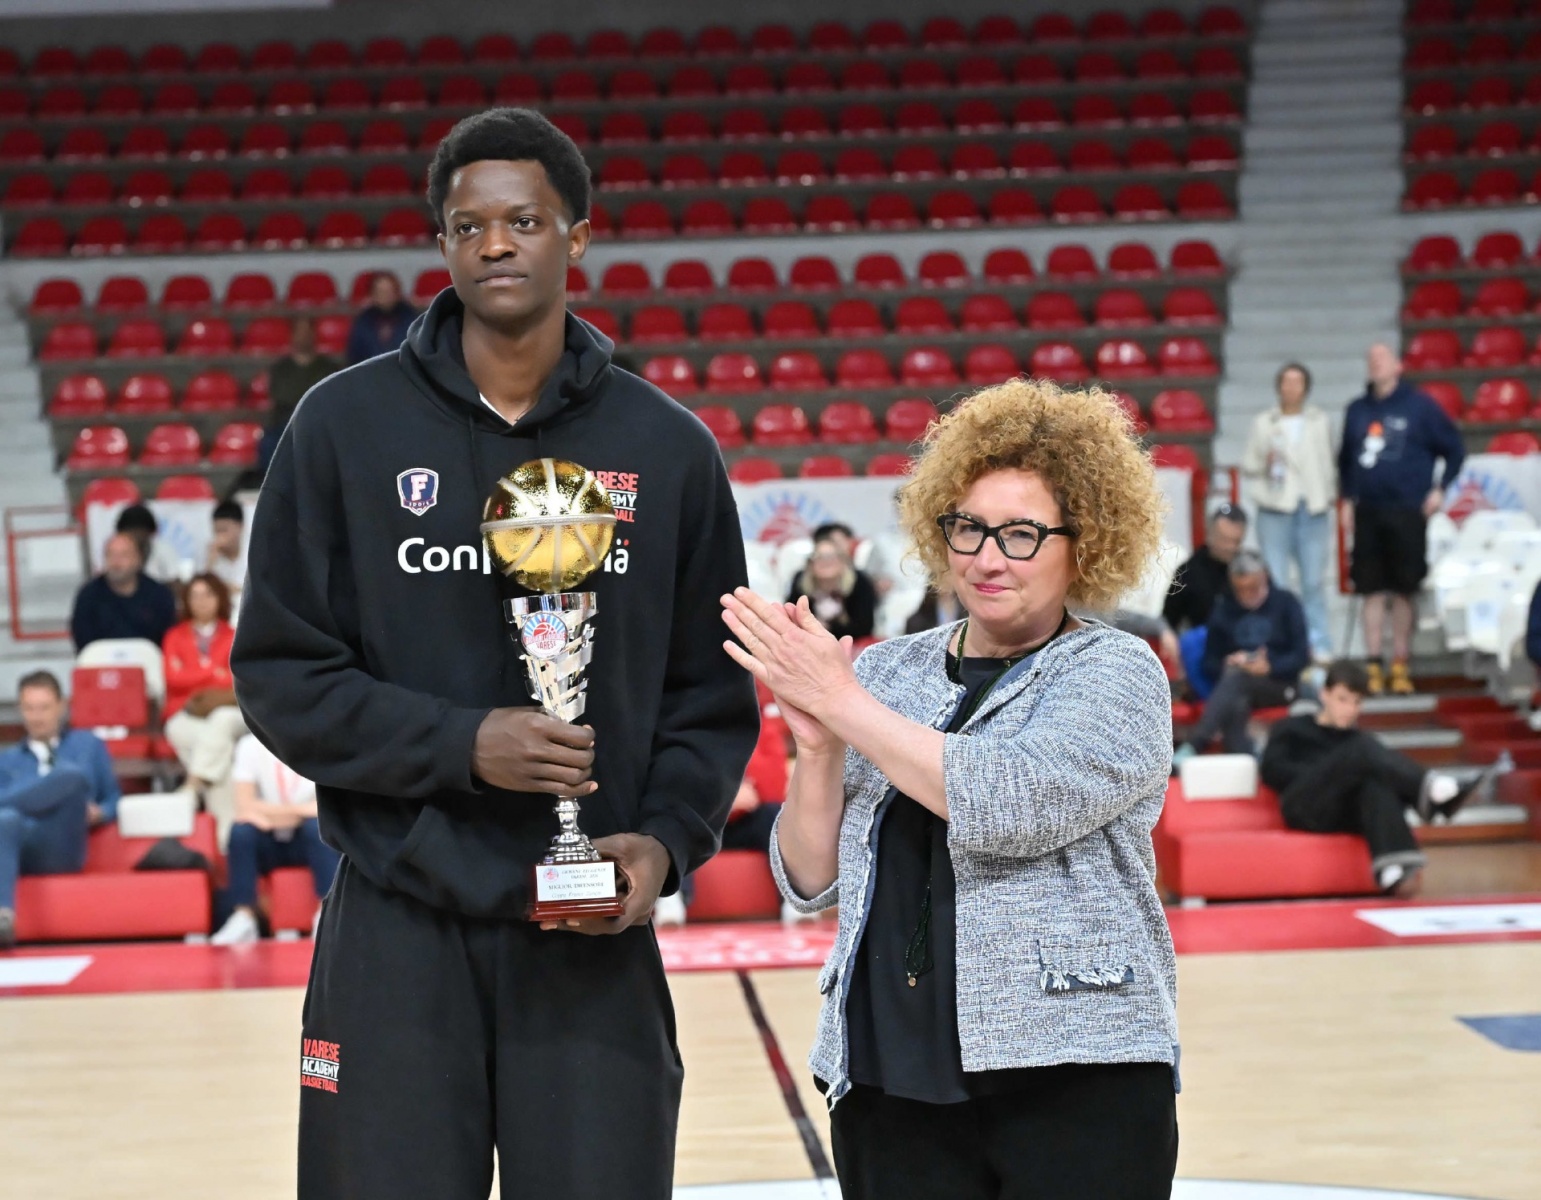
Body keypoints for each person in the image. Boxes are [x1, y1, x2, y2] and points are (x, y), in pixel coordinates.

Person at [230, 107, 758, 1200]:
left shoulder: (666, 448)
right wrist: (464, 744)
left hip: (590, 932)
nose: (496, 244)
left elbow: (707, 699)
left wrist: (663, 844)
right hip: (397, 919)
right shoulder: (339, 429)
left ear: (577, 237)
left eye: (524, 220)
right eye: (467, 227)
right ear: (443, 248)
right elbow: (282, 675)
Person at [723, 379, 1179, 1199]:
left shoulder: (1116, 672)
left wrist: (842, 703)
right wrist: (820, 750)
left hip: (1073, 1070)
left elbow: (1010, 805)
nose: (986, 557)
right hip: (886, 1073)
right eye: (968, 528)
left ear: (1087, 542)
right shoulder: (886, 671)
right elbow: (805, 877)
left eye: (1021, 533)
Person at [1261, 661, 1493, 896]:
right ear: (1324, 695)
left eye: (1357, 702)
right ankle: (1432, 791)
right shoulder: (1292, 728)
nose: (1350, 710)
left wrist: (1343, 776)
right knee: (1361, 749)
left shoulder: (1357, 744)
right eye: (1342, 699)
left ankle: (1392, 868)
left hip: (1341, 810)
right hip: (1302, 805)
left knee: (1376, 785)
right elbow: (1270, 770)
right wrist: (1328, 771)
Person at [1339, 343, 1465, 695]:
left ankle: (1400, 664)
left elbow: (1454, 449)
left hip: (1408, 511)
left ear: (1397, 365)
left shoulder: (1420, 407)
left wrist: (1440, 489)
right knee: (1371, 591)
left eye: (1382, 359)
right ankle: (1374, 665)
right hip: (1368, 511)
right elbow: (1345, 461)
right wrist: (1347, 500)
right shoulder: (1357, 410)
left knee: (1405, 590)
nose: (1375, 364)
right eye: (1371, 359)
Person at [0, 671, 121, 948]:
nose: (36, 716)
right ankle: (4, 916)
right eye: (29, 708)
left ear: (61, 706)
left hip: (65, 841)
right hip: (24, 846)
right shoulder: (6, 762)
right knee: (6, 818)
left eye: (43, 707)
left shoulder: (88, 745)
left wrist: (100, 812)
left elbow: (114, 799)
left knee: (71, 777)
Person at [1173, 551, 1309, 764]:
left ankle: (1195, 744)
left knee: (1237, 680)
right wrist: (1228, 662)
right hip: (1236, 685)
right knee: (1236, 698)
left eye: (1252, 588)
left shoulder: (1286, 603)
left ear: (1264, 577)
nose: (1246, 595)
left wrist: (1270, 666)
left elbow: (1301, 656)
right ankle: (1248, 762)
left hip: (1280, 684)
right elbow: (1209, 663)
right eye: (1240, 590)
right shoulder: (1223, 610)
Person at [1241, 362, 1337, 661]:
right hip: (1275, 508)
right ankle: (1282, 644)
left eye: (1297, 382)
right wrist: (1267, 463)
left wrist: (1329, 497)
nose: (1291, 388)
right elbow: (1249, 465)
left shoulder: (1320, 421)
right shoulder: (1264, 423)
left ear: (1306, 387)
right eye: (1286, 382)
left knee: (1313, 583)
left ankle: (1319, 644)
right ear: (1278, 386)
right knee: (1278, 584)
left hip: (1312, 508)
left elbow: (1328, 463)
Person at [211, 734, 341, 945]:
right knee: (241, 831)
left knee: (317, 828)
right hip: (269, 840)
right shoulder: (250, 745)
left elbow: (328, 807)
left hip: (306, 838)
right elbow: (244, 805)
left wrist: (271, 814)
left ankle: (325, 915)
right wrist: (301, 812)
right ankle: (243, 917)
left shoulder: (321, 742)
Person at [162, 573, 245, 846]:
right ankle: (223, 844)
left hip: (231, 711)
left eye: (207, 594)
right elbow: (172, 680)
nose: (201, 601)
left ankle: (192, 786)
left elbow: (236, 678)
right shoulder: (174, 636)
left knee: (221, 720)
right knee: (220, 761)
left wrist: (193, 673)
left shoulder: (236, 635)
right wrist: (213, 672)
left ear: (220, 597)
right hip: (184, 714)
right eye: (194, 595)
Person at [69, 532, 177, 650]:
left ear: (138, 560)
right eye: (111, 555)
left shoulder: (159, 595)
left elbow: (170, 642)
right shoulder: (88, 596)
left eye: (123, 555)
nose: (116, 562)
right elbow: (84, 645)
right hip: (103, 665)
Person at [261, 315, 339, 472]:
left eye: (307, 332)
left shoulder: (329, 368)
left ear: (314, 335)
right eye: (299, 332)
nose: (303, 336)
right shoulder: (280, 369)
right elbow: (282, 397)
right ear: (292, 335)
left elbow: (330, 400)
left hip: (318, 425)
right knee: (268, 442)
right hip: (285, 424)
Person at [1162, 502, 1247, 632]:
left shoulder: (1249, 569)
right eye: (1224, 540)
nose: (1230, 547)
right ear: (1210, 534)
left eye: (1236, 541)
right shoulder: (1188, 573)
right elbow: (1169, 621)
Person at [787, 534, 878, 641]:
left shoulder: (860, 581)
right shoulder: (800, 580)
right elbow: (791, 619)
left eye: (831, 557)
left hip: (852, 643)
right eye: (819, 557)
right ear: (811, 563)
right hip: (809, 642)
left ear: (843, 561)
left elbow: (865, 627)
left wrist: (826, 628)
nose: (826, 562)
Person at [345, 272, 417, 365]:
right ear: (373, 295)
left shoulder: (412, 320)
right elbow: (354, 356)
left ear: (397, 294)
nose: (386, 296)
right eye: (381, 292)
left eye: (390, 291)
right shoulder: (362, 322)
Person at [116, 502, 183, 584]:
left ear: (150, 533)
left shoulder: (163, 549)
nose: (135, 538)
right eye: (131, 533)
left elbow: (175, 581)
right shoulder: (116, 551)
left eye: (139, 532)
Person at [206, 500, 247, 606]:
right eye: (216, 531)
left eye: (224, 530)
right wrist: (210, 562)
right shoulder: (211, 555)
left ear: (240, 527)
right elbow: (204, 589)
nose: (220, 536)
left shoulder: (253, 553)